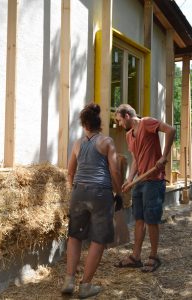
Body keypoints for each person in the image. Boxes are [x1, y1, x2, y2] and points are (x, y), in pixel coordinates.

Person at [61, 103, 123, 298]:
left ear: (84, 124)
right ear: (99, 123)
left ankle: (69, 281)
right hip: (100, 193)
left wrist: (74, 190)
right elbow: (114, 170)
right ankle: (85, 285)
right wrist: (119, 192)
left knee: (75, 236)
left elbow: (70, 171)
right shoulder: (106, 142)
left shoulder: (78, 144)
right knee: (98, 239)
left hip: (79, 192)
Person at [114, 104, 175, 272]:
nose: (119, 124)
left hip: (154, 180)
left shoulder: (147, 123)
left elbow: (171, 130)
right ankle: (135, 257)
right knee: (139, 220)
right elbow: (135, 159)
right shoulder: (128, 135)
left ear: (127, 116)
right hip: (140, 182)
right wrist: (129, 179)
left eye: (119, 120)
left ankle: (154, 257)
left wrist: (164, 157)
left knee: (151, 220)